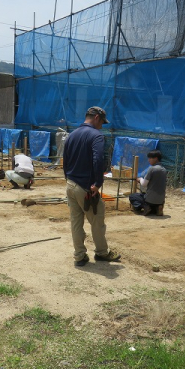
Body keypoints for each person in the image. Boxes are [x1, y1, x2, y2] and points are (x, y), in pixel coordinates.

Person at [63, 106, 120, 266]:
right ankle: (102, 252)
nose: (102, 126)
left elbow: (65, 160)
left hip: (71, 184)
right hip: (86, 187)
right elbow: (98, 159)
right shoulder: (96, 136)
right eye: (102, 122)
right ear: (96, 118)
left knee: (76, 222)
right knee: (97, 220)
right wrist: (98, 183)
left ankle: (79, 256)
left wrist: (68, 178)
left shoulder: (72, 135)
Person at [129, 150, 168, 216]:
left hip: (150, 200)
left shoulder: (152, 169)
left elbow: (144, 184)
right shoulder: (164, 170)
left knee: (133, 196)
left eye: (150, 158)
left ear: (156, 158)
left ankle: (146, 207)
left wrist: (140, 179)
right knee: (150, 198)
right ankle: (157, 208)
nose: (148, 160)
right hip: (161, 200)